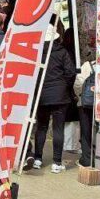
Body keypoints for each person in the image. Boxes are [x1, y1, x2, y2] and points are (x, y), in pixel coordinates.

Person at [30, 25, 76, 172]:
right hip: (60, 95)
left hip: (41, 95)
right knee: (58, 128)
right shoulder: (62, 52)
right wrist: (65, 85)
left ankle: (37, 159)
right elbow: (71, 72)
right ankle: (57, 162)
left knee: (41, 127)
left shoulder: (36, 53)